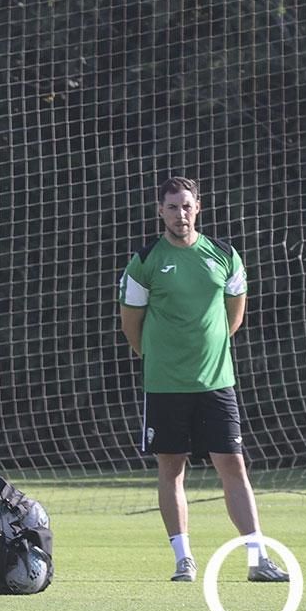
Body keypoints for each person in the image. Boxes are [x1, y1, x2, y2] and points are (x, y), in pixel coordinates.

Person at [118, 176, 288, 583]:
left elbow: (234, 316)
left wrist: (207, 354)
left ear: (199, 208)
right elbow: (131, 327)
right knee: (171, 468)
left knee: (234, 465)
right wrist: (160, 359)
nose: (181, 214)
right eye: (173, 207)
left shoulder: (224, 255)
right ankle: (183, 559)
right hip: (165, 385)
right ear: (160, 211)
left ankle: (257, 557)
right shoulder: (145, 261)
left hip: (216, 383)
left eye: (187, 206)